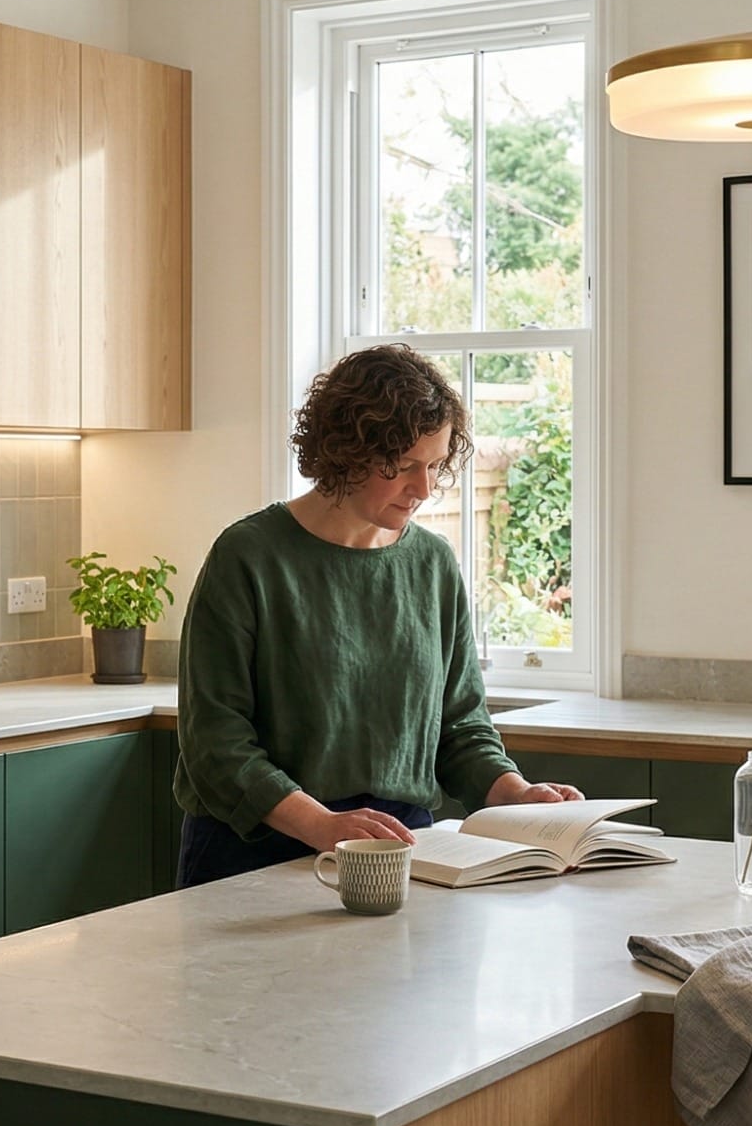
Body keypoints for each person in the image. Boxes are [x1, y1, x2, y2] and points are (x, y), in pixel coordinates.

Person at [172, 342, 582, 888]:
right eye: (403, 466)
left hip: (400, 849)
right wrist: (322, 824)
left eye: (434, 465)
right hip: (255, 852)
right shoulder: (249, 558)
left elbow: (460, 726)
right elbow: (215, 744)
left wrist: (516, 792)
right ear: (344, 451)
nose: (424, 488)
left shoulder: (432, 565)